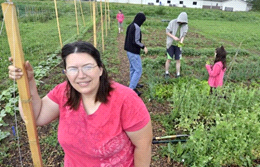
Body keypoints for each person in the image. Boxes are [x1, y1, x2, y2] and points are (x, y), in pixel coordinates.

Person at [8, 41, 153, 166]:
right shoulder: (63, 92)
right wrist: (28, 83)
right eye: (73, 69)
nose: (81, 75)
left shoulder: (126, 99)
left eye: (88, 67)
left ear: (100, 69)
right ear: (66, 72)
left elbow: (143, 146)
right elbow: (37, 116)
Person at [124, 13, 148, 96]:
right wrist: (144, 47)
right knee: (138, 70)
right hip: (133, 52)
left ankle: (134, 83)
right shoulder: (137, 27)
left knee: (133, 69)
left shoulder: (130, 25)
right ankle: (131, 89)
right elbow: (136, 41)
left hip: (129, 51)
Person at [164, 12, 188, 78]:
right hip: (171, 44)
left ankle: (178, 74)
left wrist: (181, 42)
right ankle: (166, 73)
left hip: (178, 45)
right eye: (180, 21)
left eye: (182, 22)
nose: (181, 23)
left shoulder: (185, 26)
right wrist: (174, 37)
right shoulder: (172, 22)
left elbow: (183, 35)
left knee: (178, 60)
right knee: (169, 59)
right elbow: (167, 32)